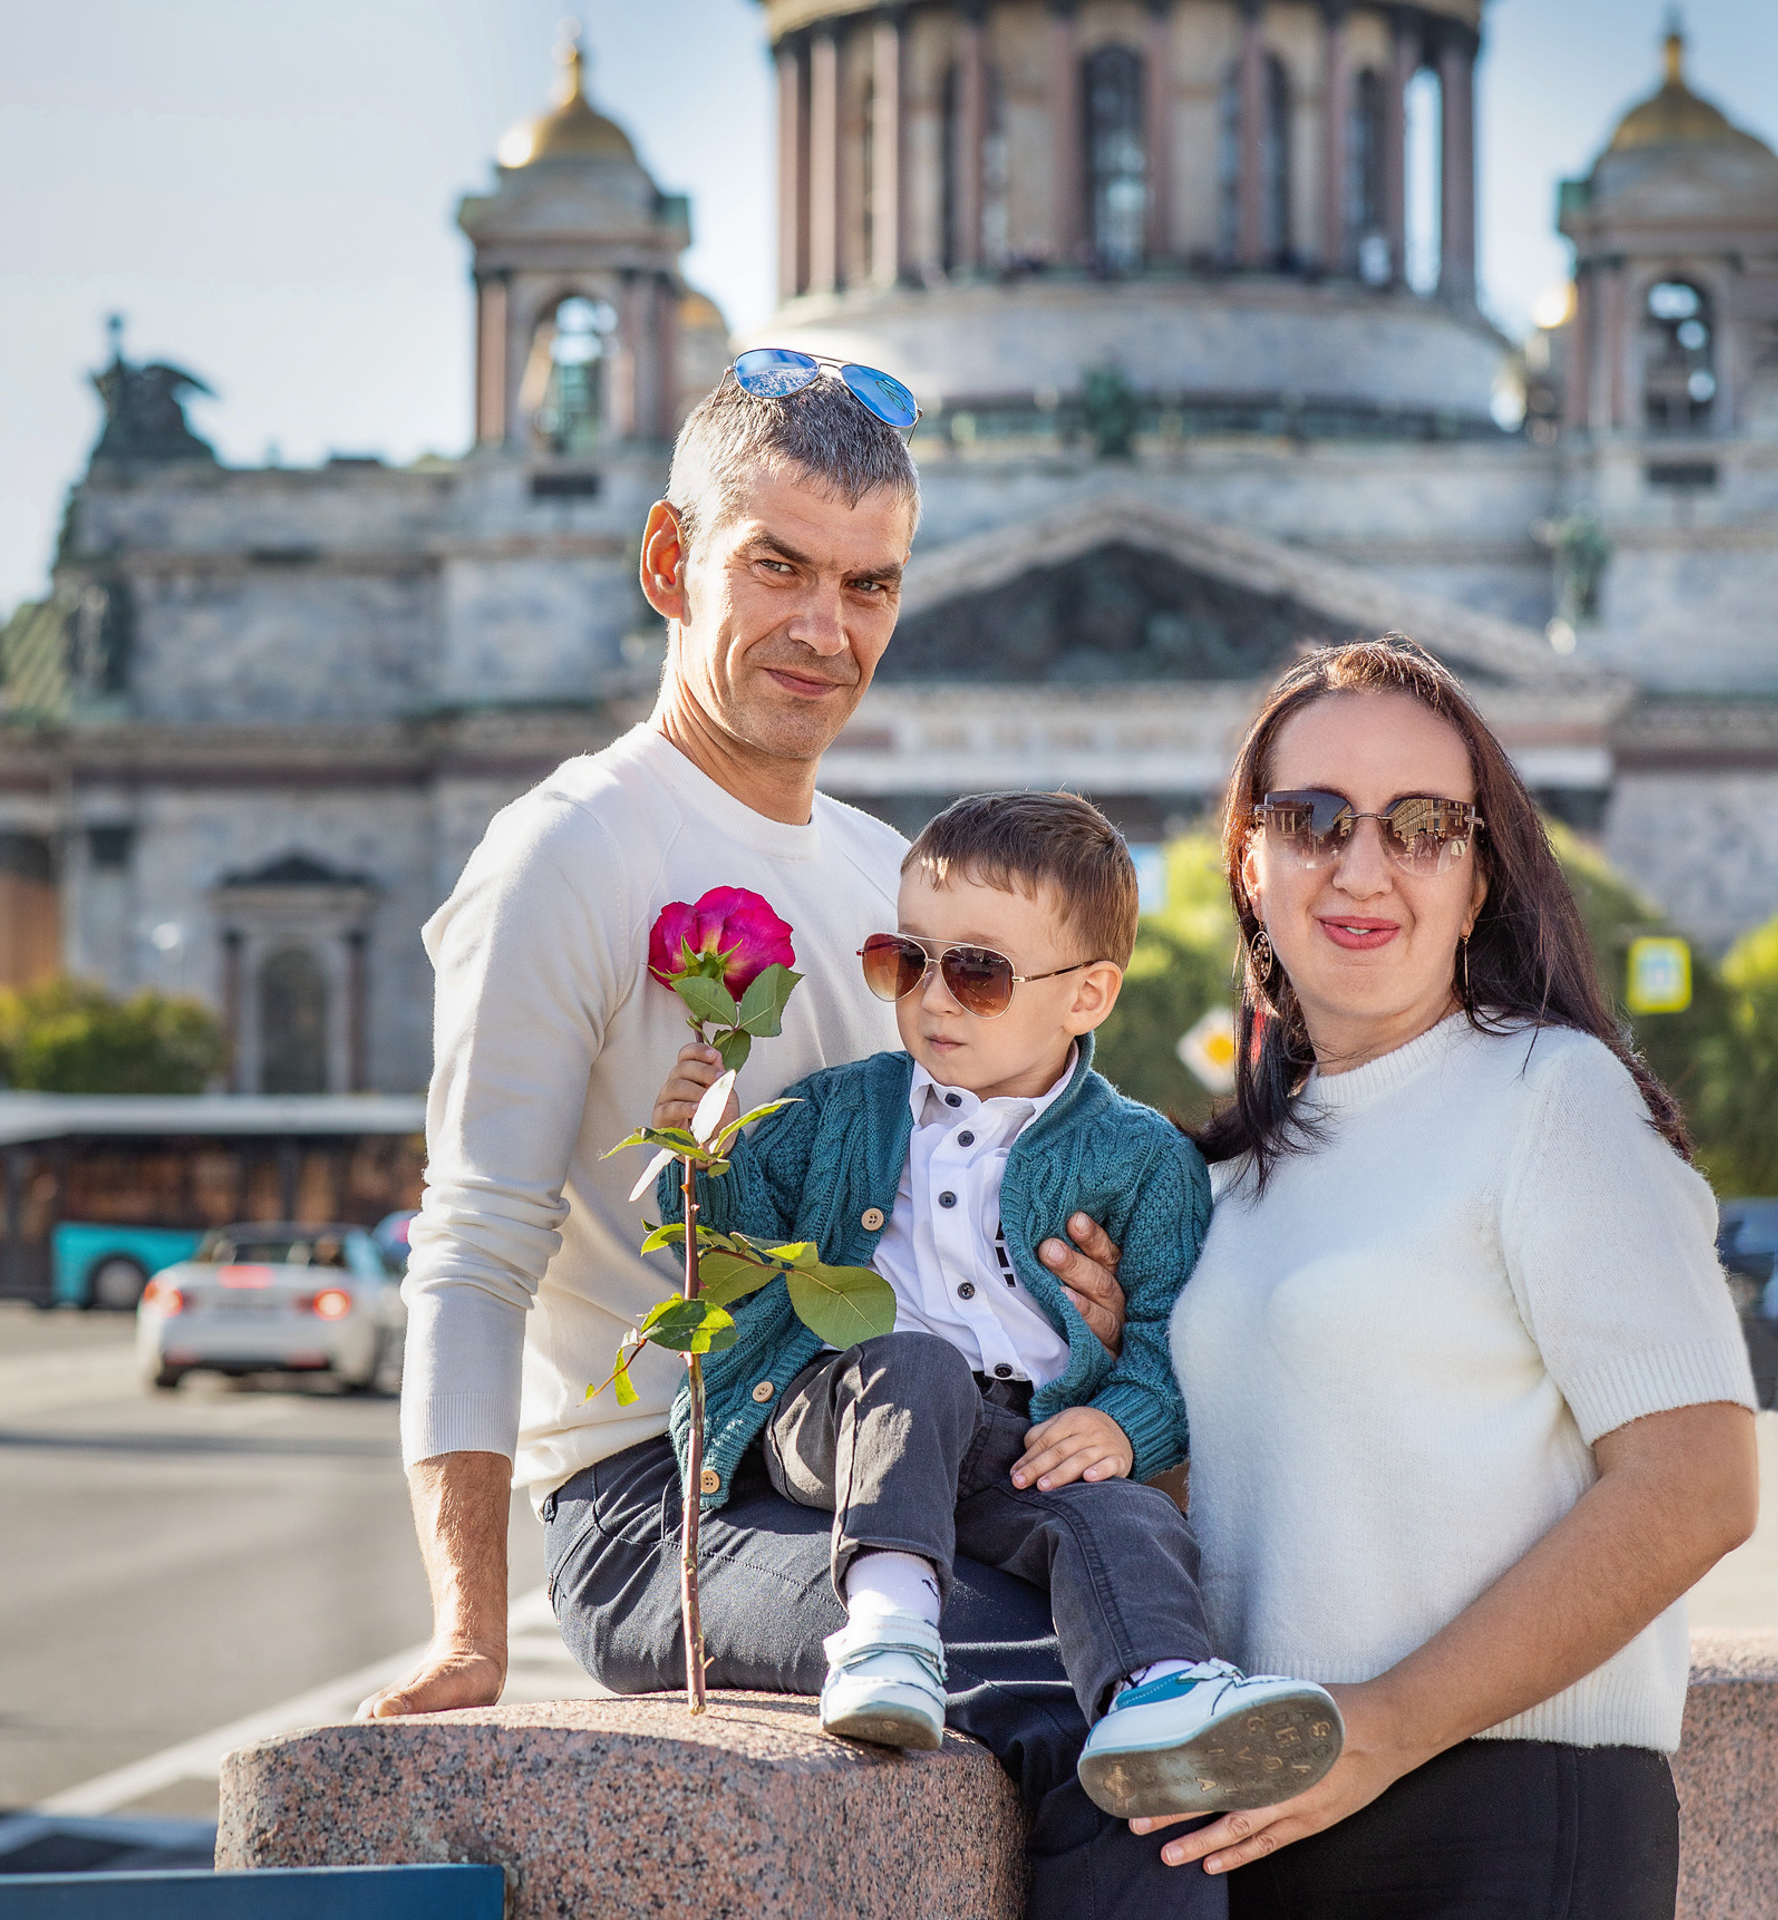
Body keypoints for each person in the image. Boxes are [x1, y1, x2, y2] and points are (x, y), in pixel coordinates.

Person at [361, 366, 1202, 1917]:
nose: (829, 629)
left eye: (868, 584)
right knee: (1076, 1703)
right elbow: (474, 1243)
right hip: (664, 1494)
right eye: (781, 570)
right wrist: (473, 1628)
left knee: (1177, 1672)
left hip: (912, 1459)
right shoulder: (569, 848)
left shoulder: (898, 876)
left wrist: (1075, 1295)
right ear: (672, 564)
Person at [1150, 637, 1759, 1916]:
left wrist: (1381, 1727)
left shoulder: (1553, 1097)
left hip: (1507, 1817)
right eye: (1312, 820)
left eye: (1422, 827)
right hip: (1273, 1824)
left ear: (1479, 880)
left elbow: (1698, 1479)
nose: (1361, 867)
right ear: (1249, 869)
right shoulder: (1224, 1180)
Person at [649, 788, 1344, 1815]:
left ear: (1088, 996)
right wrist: (695, 1155)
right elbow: (722, 1243)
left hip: (1010, 1438)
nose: (931, 998)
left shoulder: (1141, 1159)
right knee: (915, 1363)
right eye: (906, 959)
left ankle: (1160, 1692)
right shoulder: (842, 1106)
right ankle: (886, 1633)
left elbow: (1168, 1336)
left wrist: (1122, 1422)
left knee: (1113, 1512)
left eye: (977, 972)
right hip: (841, 1410)